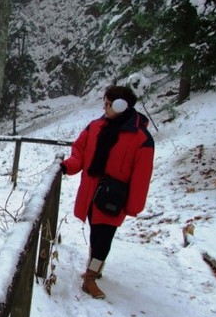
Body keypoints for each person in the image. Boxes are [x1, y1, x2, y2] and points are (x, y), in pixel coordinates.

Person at [60, 85, 154, 299]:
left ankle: (90, 278)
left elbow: (142, 176)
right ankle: (95, 267)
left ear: (122, 105)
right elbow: (80, 152)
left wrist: (133, 205)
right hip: (91, 195)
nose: (105, 107)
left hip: (114, 198)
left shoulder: (141, 138)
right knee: (96, 235)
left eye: (109, 104)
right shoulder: (95, 127)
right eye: (105, 102)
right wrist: (68, 166)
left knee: (104, 239)